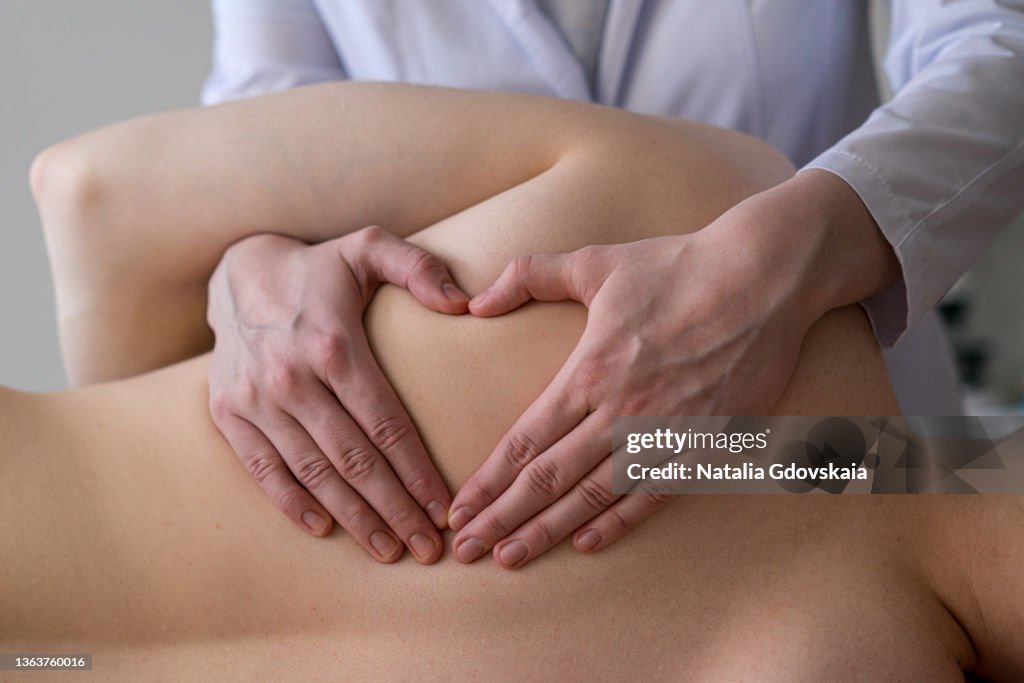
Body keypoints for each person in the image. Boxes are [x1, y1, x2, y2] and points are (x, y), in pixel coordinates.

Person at [17, 83, 1024, 679]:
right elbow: (861, 478)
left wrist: (209, 372)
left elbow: (89, 194)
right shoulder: (840, 627)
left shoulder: (689, 208)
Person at [191, 1, 1024, 567]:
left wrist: (776, 267)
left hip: (841, 437)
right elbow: (252, 129)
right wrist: (245, 266)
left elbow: (1001, 43)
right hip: (471, 557)